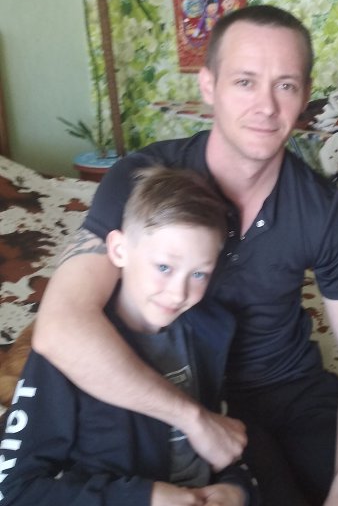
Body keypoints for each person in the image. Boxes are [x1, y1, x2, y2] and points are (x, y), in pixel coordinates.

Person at [32, 5, 338, 505]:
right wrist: (191, 417)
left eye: (285, 85)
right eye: (245, 82)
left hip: (294, 387)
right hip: (187, 387)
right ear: (209, 86)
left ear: (304, 97)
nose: (266, 106)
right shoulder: (141, 180)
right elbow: (60, 325)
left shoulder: (321, 208)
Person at [0, 167, 257, 506]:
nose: (178, 293)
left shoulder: (211, 332)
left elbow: (225, 435)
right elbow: (17, 491)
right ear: (119, 249)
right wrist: (144, 497)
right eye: (164, 267)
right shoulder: (65, 355)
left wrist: (235, 489)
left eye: (198, 274)